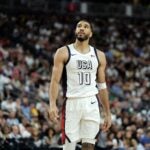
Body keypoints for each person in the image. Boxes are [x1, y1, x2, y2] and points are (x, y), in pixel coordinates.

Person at [49, 19, 111, 150]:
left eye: (85, 26)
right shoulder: (63, 52)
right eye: (79, 26)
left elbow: (102, 86)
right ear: (75, 31)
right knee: (69, 146)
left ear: (91, 33)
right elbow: (55, 81)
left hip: (91, 103)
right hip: (72, 103)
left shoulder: (99, 55)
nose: (81, 28)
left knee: (89, 145)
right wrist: (52, 104)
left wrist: (107, 112)